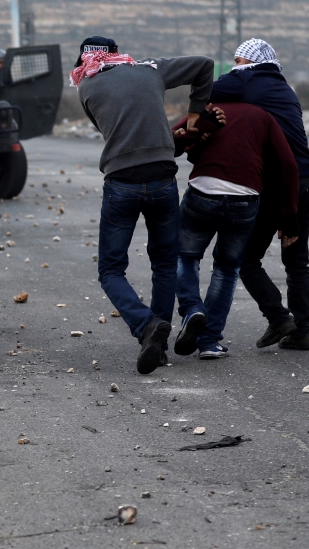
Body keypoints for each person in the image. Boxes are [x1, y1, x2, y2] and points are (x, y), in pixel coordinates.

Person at [72, 35, 213, 374]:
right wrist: (194, 115)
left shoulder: (86, 87)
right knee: (164, 263)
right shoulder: (150, 70)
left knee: (110, 270)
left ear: (86, 60)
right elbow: (204, 66)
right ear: (117, 54)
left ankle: (146, 326)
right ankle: (158, 347)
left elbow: (112, 129)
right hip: (163, 178)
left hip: (121, 181)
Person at [210, 39, 309, 351]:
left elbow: (207, 90)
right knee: (296, 261)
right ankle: (301, 333)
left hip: (277, 182)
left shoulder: (246, 79)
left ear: (249, 61)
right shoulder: (284, 88)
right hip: (305, 179)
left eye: (238, 60)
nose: (235, 66)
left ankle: (278, 317)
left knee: (245, 258)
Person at [171, 103, 299, 359]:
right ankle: (209, 341)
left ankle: (193, 309)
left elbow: (170, 141)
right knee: (227, 268)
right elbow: (288, 163)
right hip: (245, 197)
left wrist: (198, 132)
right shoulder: (263, 115)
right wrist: (290, 216)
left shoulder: (211, 107)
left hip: (204, 190)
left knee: (185, 256)